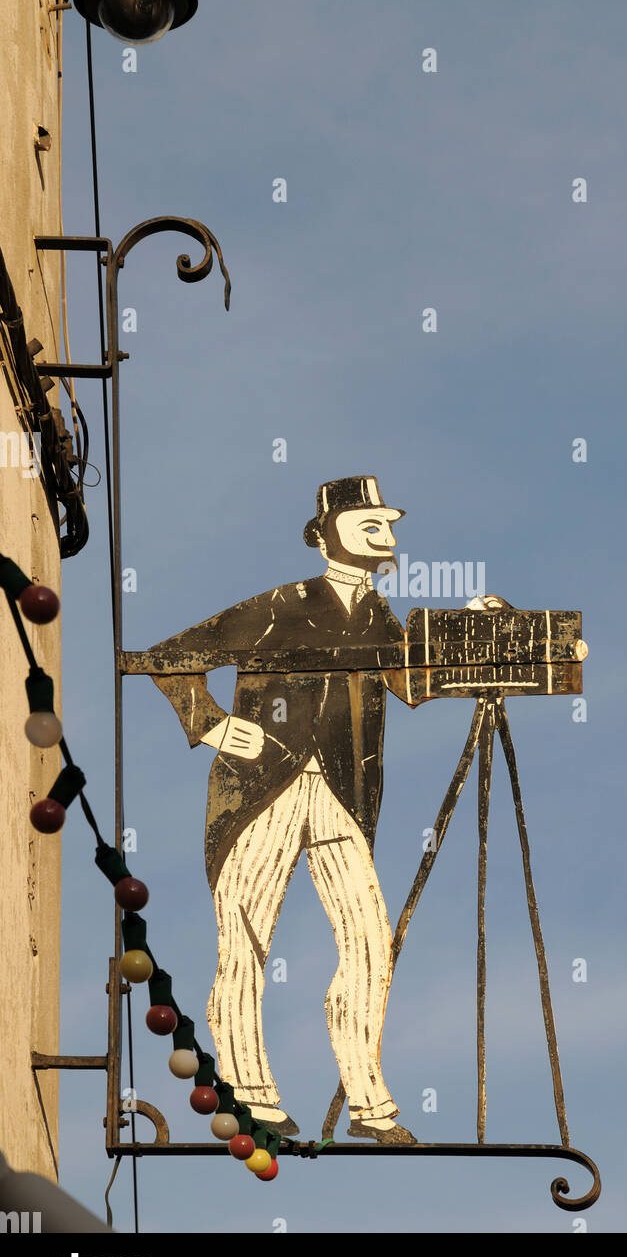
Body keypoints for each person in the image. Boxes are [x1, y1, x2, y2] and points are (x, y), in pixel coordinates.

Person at [148, 477, 423, 1144]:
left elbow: (415, 682)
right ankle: (249, 1090)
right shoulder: (282, 604)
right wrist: (213, 724)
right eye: (367, 521)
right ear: (326, 534)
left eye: (386, 523)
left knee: (369, 942)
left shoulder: (380, 616)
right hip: (261, 790)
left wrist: (486, 633)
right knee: (245, 941)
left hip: (341, 796)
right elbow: (168, 658)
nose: (382, 533)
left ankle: (369, 1100)